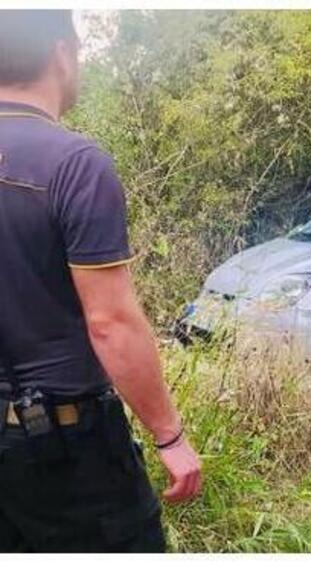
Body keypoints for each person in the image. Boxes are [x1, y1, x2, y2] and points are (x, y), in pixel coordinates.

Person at [0, 11, 201, 552]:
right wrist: (170, 436)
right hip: (68, 455)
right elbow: (111, 322)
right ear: (62, 55)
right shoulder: (73, 164)